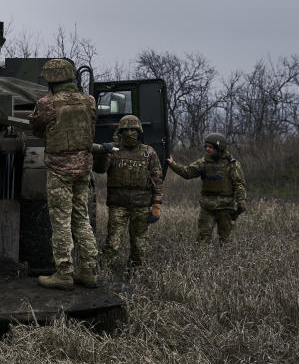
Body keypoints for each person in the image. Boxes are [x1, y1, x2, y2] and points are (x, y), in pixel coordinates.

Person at [28, 58, 100, 290]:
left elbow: (37, 128)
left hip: (60, 169)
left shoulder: (46, 103)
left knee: (60, 221)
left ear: (50, 79)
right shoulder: (89, 101)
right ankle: (89, 270)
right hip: (84, 168)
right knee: (82, 219)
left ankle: (64, 273)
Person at [93, 115, 163, 271]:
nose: (130, 133)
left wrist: (156, 204)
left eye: (133, 130)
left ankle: (135, 272)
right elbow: (100, 169)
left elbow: (157, 179)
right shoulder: (114, 151)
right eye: (126, 130)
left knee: (139, 244)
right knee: (112, 243)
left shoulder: (148, 152)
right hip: (118, 205)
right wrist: (103, 152)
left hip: (141, 205)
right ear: (120, 132)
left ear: (139, 132)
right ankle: (103, 271)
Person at [167, 133, 246, 243]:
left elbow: (239, 184)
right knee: (202, 238)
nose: (207, 149)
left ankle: (223, 259)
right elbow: (188, 173)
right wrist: (172, 164)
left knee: (225, 239)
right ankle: (202, 259)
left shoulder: (232, 164)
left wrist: (241, 202)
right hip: (207, 207)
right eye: (206, 146)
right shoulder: (203, 162)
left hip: (225, 207)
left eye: (211, 147)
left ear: (219, 148)